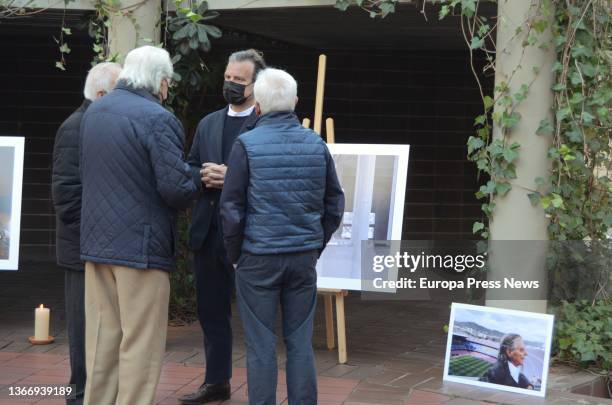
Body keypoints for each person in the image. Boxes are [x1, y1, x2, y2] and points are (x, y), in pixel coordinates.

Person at [79, 45, 201, 405]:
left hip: (96, 243)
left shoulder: (95, 112)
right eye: (168, 81)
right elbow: (174, 189)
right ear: (161, 81)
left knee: (102, 340)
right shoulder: (158, 118)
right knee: (140, 344)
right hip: (141, 248)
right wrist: (198, 177)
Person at [220, 68, 345, 405]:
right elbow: (334, 202)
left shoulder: (246, 144)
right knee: (299, 341)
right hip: (302, 256)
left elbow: (231, 207)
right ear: (296, 102)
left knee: (260, 344)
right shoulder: (316, 144)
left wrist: (235, 254)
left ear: (257, 105)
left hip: (257, 256)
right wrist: (315, 243)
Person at [179, 49, 266, 405]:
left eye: (239, 81)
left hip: (247, 236)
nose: (230, 84)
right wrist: (200, 175)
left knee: (255, 316)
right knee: (211, 311)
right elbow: (187, 167)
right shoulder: (209, 122)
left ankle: (260, 389)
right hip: (208, 231)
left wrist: (234, 178)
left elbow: (270, 178)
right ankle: (217, 381)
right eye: (228, 77)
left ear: (255, 85)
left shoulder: (265, 124)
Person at [51, 61, 121, 405]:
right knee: (82, 328)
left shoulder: (98, 124)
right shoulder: (75, 126)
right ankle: (79, 394)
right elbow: (66, 194)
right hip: (81, 248)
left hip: (99, 245)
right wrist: (93, 236)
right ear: (103, 94)